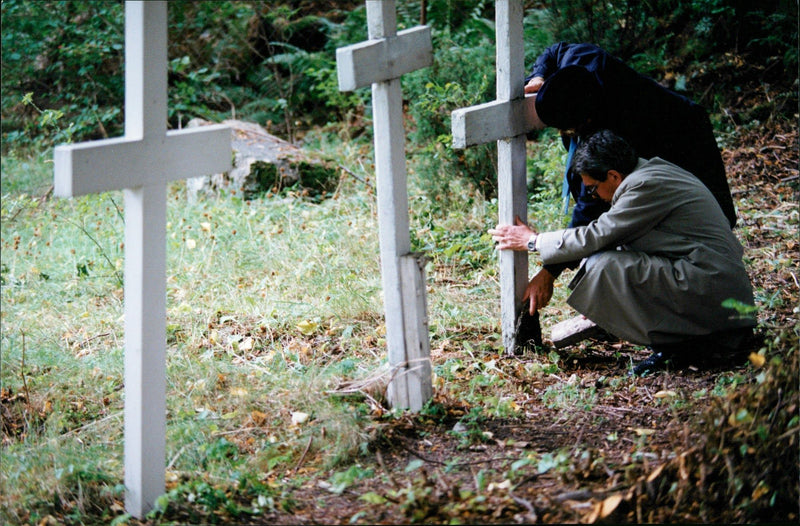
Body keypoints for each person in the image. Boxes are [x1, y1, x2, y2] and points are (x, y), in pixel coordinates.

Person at [489, 130, 755, 374]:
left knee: (600, 267)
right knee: (606, 267)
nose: (593, 196)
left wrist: (534, 242)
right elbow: (622, 240)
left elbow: (596, 236)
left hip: (713, 290)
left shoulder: (643, 186)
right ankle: (689, 342)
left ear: (614, 176)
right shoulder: (649, 172)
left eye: (593, 188)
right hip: (710, 282)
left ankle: (688, 346)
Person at [522, 42, 737, 314]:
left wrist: (549, 272)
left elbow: (594, 208)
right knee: (636, 231)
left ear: (585, 122)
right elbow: (555, 50)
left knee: (707, 219)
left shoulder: (617, 124)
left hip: (684, 139)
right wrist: (539, 77)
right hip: (648, 138)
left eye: (570, 131)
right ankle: (633, 298)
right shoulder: (579, 60)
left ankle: (710, 299)